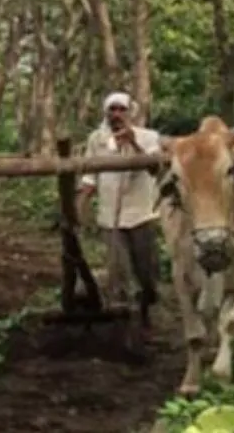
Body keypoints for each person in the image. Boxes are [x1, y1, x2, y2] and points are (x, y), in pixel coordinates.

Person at [76, 91, 164, 323]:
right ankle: (124, 318)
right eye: (112, 110)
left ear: (130, 112)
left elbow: (155, 168)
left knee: (146, 272)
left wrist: (132, 141)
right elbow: (90, 177)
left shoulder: (148, 137)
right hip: (109, 216)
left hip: (141, 214)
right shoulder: (97, 139)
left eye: (121, 110)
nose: (117, 115)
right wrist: (80, 205)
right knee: (118, 271)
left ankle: (146, 307)